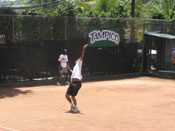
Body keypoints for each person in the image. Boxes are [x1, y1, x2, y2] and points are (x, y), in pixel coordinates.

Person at [65, 44, 88, 113]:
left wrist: (83, 49)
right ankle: (72, 105)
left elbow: (82, 57)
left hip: (77, 83)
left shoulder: (79, 64)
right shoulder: (75, 68)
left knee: (72, 96)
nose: (77, 59)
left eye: (78, 59)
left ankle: (76, 108)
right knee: (66, 95)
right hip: (72, 83)